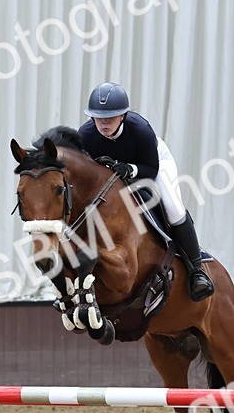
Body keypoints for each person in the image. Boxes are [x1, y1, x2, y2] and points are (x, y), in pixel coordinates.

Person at [77, 82, 215, 301]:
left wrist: (129, 169)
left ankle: (197, 270)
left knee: (173, 208)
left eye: (110, 118)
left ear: (122, 116)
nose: (103, 123)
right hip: (112, 175)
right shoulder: (85, 135)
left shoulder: (140, 129)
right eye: (98, 117)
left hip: (151, 164)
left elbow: (150, 170)